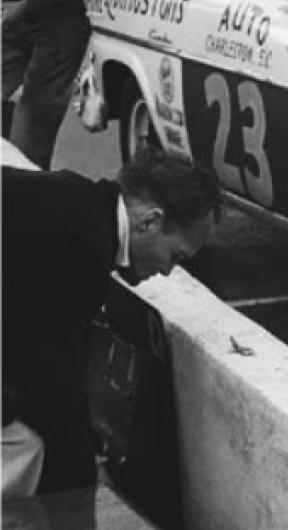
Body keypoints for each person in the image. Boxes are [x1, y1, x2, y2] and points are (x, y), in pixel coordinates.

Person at [1, 148, 222, 496]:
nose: (167, 271)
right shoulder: (83, 247)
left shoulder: (78, 204)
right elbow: (53, 390)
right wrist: (82, 489)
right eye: (175, 256)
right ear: (150, 221)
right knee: (27, 448)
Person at [2, 0, 92, 168]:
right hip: (15, 18)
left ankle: (27, 181)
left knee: (35, 116)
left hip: (60, 21)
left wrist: (23, 8)